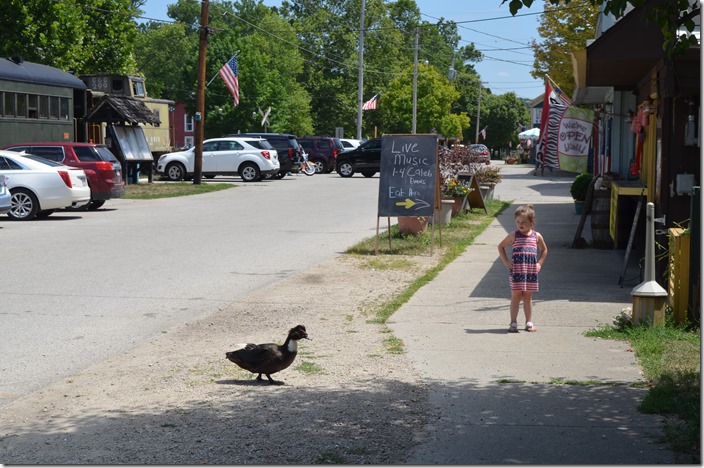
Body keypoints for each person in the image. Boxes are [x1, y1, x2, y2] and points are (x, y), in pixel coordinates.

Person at [497, 205, 548, 333]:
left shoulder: (537, 236)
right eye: (518, 221)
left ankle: (529, 322)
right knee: (515, 297)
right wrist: (506, 261)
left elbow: (544, 250)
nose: (520, 224)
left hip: (530, 272)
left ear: (532, 222)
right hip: (517, 271)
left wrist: (540, 263)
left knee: (527, 298)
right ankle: (513, 323)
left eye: (524, 222)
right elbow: (500, 246)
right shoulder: (514, 235)